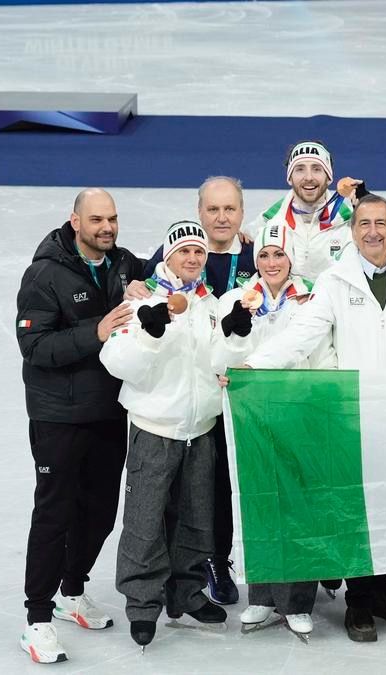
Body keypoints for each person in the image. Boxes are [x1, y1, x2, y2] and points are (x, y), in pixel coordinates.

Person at [243, 193, 386, 642]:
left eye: (381, 223)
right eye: (364, 223)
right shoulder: (334, 281)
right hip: (354, 413)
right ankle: (359, 602)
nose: (373, 232)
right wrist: (255, 365)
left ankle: (380, 591)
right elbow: (304, 333)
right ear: (352, 231)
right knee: (357, 511)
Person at [14, 188, 142, 664]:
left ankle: (71, 591)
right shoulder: (44, 274)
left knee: (100, 512)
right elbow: (35, 347)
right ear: (75, 222)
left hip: (109, 410)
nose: (107, 227)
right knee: (55, 514)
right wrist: (97, 331)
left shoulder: (124, 263)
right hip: (59, 417)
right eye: (96, 220)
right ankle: (37, 619)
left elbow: (173, 266)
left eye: (112, 218)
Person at [99, 220, 229, 649]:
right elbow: (116, 362)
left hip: (201, 429)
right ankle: (142, 603)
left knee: (196, 519)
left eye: (199, 252)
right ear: (168, 257)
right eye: (183, 252)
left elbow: (219, 356)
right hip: (155, 428)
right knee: (145, 521)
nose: (192, 258)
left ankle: (186, 593)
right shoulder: (142, 300)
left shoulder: (210, 303)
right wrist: (151, 336)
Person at [212, 221, 334, 640]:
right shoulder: (235, 299)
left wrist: (320, 402)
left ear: (291, 257)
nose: (271, 262)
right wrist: (231, 338)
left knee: (299, 508)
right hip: (253, 417)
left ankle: (297, 601)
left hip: (299, 414)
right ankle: (262, 596)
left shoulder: (312, 297)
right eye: (263, 254)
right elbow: (219, 359)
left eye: (278, 253)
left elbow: (324, 354)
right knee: (259, 503)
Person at [138, 176, 257, 605]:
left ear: (242, 212)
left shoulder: (257, 253)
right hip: (194, 392)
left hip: (243, 389)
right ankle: (198, 563)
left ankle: (229, 559)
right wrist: (134, 285)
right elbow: (146, 291)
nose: (222, 218)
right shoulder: (178, 252)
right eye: (213, 209)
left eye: (230, 209)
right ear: (199, 212)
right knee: (197, 485)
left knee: (235, 480)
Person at [245, 140, 386, 281]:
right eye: (300, 169)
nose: (308, 177)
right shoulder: (268, 222)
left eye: (317, 169)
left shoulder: (350, 218)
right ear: (290, 178)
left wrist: (372, 208)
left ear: (328, 177)